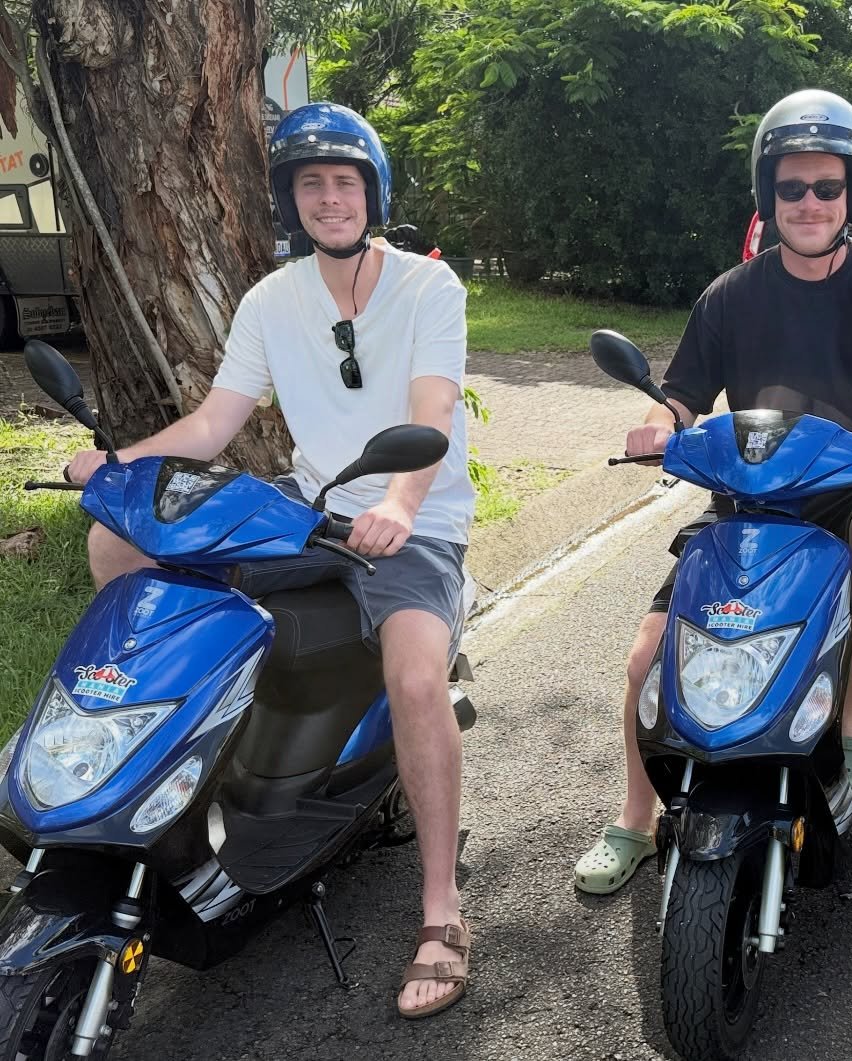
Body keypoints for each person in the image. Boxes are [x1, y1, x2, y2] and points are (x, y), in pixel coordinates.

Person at [66, 102, 477, 1018]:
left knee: (416, 676)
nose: (330, 199)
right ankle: (154, 776)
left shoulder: (428, 288)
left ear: (372, 193)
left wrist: (401, 503)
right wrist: (120, 464)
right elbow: (215, 423)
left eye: (345, 182)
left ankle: (443, 909)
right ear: (289, 201)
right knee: (117, 540)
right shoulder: (269, 299)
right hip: (308, 508)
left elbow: (434, 411)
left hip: (412, 520)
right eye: (310, 184)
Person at [573, 89, 852, 894]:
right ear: (769, 195)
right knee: (647, 657)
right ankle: (636, 818)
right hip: (750, 498)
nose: (810, 202)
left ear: (851, 192)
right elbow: (680, 395)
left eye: (827, 186)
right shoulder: (731, 294)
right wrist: (657, 423)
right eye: (792, 187)